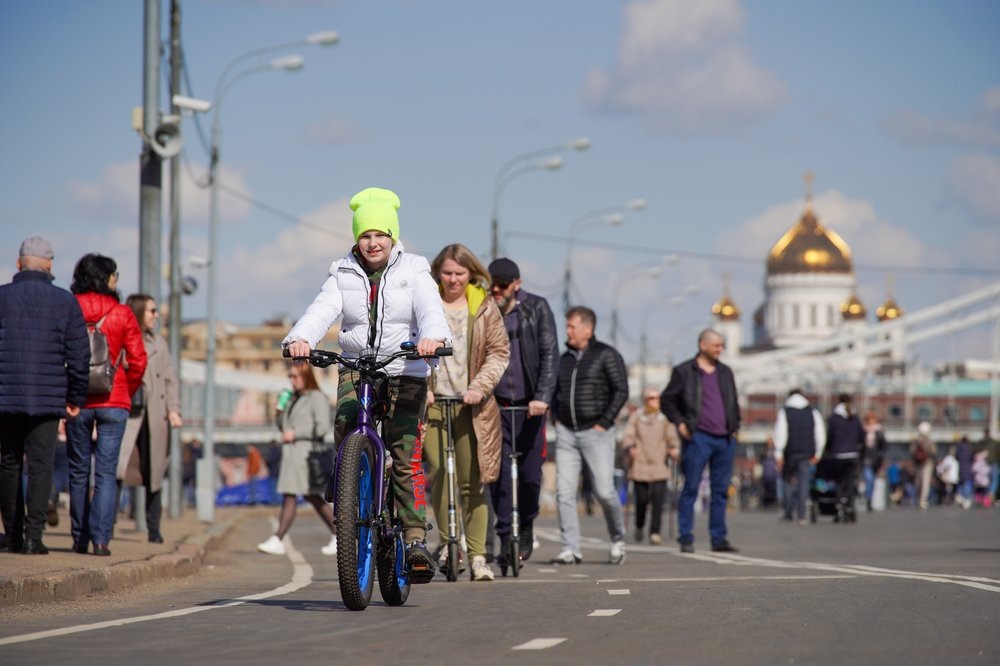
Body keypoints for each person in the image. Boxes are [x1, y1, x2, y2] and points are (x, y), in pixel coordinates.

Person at [282, 187, 449, 582]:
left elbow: (429, 309)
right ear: (356, 238)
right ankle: (347, 478)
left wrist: (433, 339)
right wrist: (299, 338)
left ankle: (412, 540)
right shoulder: (342, 271)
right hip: (358, 366)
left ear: (392, 237)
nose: (373, 243)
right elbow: (321, 309)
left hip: (405, 367)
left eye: (380, 235)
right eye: (365, 235)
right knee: (346, 420)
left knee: (405, 455)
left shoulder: (415, 269)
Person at [423, 244, 509, 581]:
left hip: (473, 406)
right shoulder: (426, 301)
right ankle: (448, 544)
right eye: (447, 273)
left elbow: (499, 352)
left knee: (474, 481)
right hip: (432, 403)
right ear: (437, 273)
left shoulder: (484, 306)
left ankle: (478, 556)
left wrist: (480, 387)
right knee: (441, 474)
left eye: (460, 273)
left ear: (471, 274)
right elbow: (410, 343)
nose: (453, 280)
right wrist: (423, 386)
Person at [0, 237, 90, 554]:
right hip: (48, 400)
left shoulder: (2, 298)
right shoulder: (64, 302)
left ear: (18, 263)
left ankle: (11, 534)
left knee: (8, 465)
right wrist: (76, 397)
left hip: (6, 398)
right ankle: (32, 538)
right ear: (50, 265)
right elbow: (80, 357)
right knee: (41, 467)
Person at [65, 253, 147, 556]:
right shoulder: (123, 313)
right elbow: (138, 360)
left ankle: (79, 538)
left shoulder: (69, 307)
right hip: (114, 400)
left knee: (78, 471)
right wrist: (126, 387)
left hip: (77, 401)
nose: (117, 280)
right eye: (114, 275)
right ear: (105, 278)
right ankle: (101, 541)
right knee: (106, 472)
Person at [486, 257, 559, 563]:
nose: (496, 291)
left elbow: (550, 355)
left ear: (517, 285)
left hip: (531, 407)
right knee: (498, 476)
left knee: (530, 476)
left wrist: (541, 397)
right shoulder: (485, 309)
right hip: (495, 405)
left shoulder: (537, 308)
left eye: (503, 286)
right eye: (492, 285)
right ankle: (505, 537)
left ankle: (526, 524)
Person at [550, 306, 629, 565]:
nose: (568, 331)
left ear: (588, 328)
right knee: (564, 492)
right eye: (568, 326)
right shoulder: (564, 359)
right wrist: (556, 418)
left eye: (572, 326)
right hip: (566, 434)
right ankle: (570, 548)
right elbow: (555, 391)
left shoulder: (606, 354)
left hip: (597, 432)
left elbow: (620, 390)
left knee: (604, 491)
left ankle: (617, 538)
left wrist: (604, 422)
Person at [661, 329, 741, 554]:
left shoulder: (725, 372)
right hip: (698, 437)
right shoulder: (685, 371)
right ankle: (685, 537)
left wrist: (735, 428)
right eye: (716, 345)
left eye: (721, 345)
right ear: (703, 345)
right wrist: (681, 423)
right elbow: (667, 401)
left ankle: (719, 538)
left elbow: (733, 401)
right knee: (691, 488)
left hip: (725, 438)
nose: (720, 350)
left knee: (720, 491)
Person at [117, 294, 182, 543]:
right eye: (152, 311)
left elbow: (170, 380)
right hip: (129, 412)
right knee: (118, 469)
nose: (156, 315)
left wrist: (173, 409)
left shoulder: (160, 343)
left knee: (154, 473)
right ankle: (105, 526)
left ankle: (154, 528)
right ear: (139, 311)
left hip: (155, 414)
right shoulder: (124, 338)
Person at [257, 362, 338, 556]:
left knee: (293, 495)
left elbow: (321, 427)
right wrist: (279, 411)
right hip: (293, 456)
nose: (292, 381)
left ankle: (278, 538)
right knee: (309, 496)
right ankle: (337, 535)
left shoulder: (316, 397)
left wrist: (296, 433)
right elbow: (283, 428)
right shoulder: (293, 399)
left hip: (306, 456)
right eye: (290, 377)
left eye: (295, 376)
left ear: (306, 377)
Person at [621, 387, 679, 545]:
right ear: (645, 400)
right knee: (641, 500)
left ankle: (655, 532)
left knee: (658, 501)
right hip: (640, 464)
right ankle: (639, 526)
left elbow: (671, 436)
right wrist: (630, 447)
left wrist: (673, 447)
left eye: (657, 398)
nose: (656, 401)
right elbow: (628, 435)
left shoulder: (664, 419)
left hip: (659, 464)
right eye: (652, 398)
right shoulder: (636, 417)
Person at [773, 389, 825, 525]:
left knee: (786, 480)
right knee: (804, 483)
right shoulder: (813, 412)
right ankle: (802, 514)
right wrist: (818, 453)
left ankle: (788, 511)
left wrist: (778, 453)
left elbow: (780, 434)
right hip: (807, 453)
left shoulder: (785, 412)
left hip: (790, 452)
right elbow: (820, 433)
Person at [824, 394, 863, 520]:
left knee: (839, 482)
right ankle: (850, 504)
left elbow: (829, 437)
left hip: (837, 455)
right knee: (851, 482)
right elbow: (861, 436)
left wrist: (827, 450)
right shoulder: (855, 417)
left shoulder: (834, 418)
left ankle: (839, 505)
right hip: (852, 455)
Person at [861, 410, 887, 511]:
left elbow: (884, 445)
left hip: (875, 459)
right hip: (865, 458)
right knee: (869, 478)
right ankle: (868, 498)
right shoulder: (863, 430)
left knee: (873, 480)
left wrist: (880, 455)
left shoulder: (879, 430)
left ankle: (870, 497)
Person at [911, 421, 935, 510]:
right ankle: (923, 500)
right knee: (925, 482)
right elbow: (933, 451)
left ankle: (919, 499)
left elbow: (912, 452)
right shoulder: (929, 441)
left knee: (919, 482)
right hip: (927, 463)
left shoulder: (916, 441)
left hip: (919, 463)